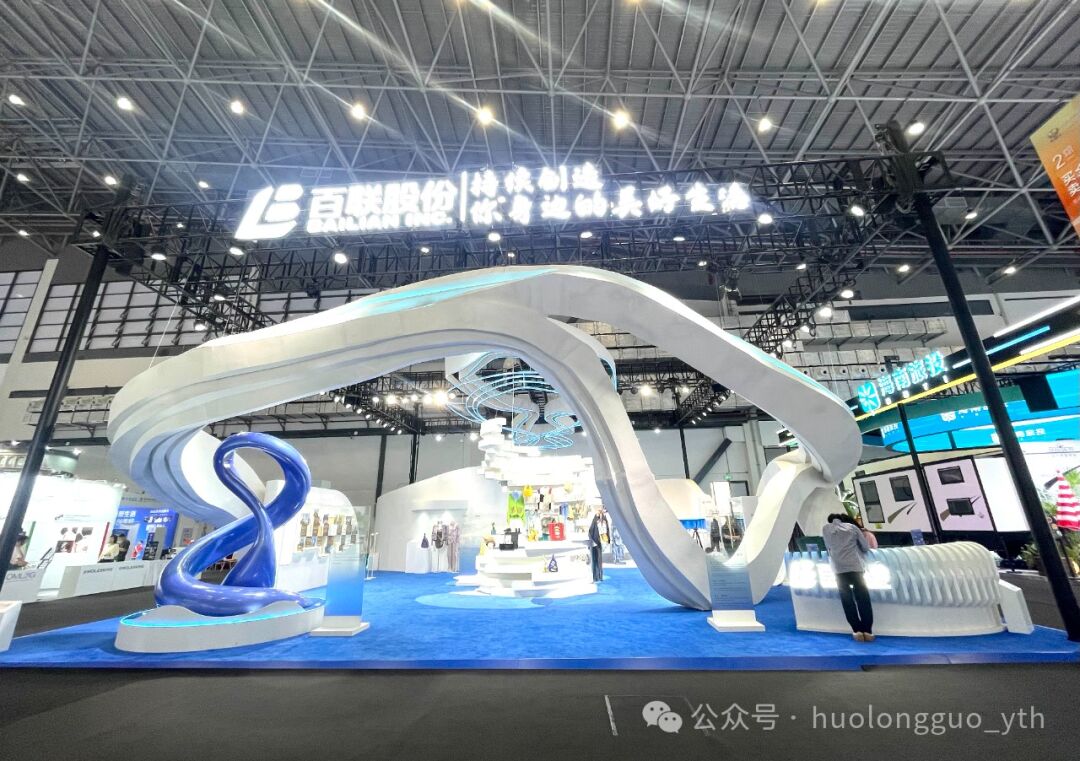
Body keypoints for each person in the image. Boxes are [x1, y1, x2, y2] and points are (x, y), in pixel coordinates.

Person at [822, 513, 874, 641]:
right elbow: (865, 547)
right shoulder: (852, 527)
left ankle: (856, 630)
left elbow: (828, 546)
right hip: (855, 567)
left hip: (838, 569)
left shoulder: (826, 529)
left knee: (847, 601)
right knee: (863, 599)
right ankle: (867, 631)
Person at [588, 507, 604, 582]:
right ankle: (597, 577)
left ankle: (598, 577)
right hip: (595, 544)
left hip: (597, 544)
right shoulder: (595, 521)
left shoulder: (600, 521)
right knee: (596, 561)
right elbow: (590, 532)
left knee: (598, 561)